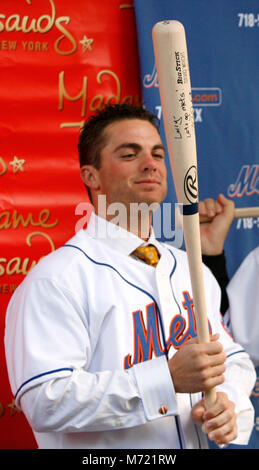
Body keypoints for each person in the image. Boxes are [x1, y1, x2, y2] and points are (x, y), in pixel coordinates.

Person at [4, 104, 256, 450]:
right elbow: (45, 402)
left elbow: (233, 360)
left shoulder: (189, 268)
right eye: (129, 153)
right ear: (90, 176)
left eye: (157, 153)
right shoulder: (57, 279)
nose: (150, 163)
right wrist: (164, 380)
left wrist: (227, 400)